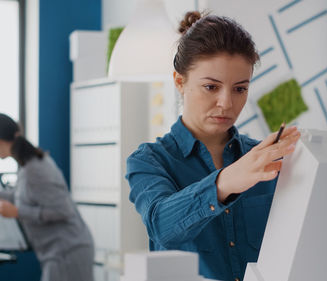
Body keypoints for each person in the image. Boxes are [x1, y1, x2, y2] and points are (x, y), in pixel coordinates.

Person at [126, 11, 301, 281]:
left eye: (240, 89)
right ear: (179, 81)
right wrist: (226, 182)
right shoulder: (149, 160)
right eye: (211, 87)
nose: (227, 104)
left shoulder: (267, 160)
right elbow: (161, 225)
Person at [0, 113, 94, 281]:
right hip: (58, 252)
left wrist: (17, 212)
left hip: (67, 251)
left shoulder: (35, 169)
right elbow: (22, 196)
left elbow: (62, 210)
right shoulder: (27, 164)